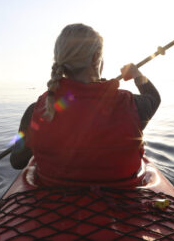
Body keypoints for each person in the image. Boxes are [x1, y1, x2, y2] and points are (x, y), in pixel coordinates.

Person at [10, 23, 161, 187]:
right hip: (123, 204)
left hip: (53, 205)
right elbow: (153, 97)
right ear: (96, 57)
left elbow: (17, 161)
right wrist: (138, 75)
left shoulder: (35, 111)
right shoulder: (132, 106)